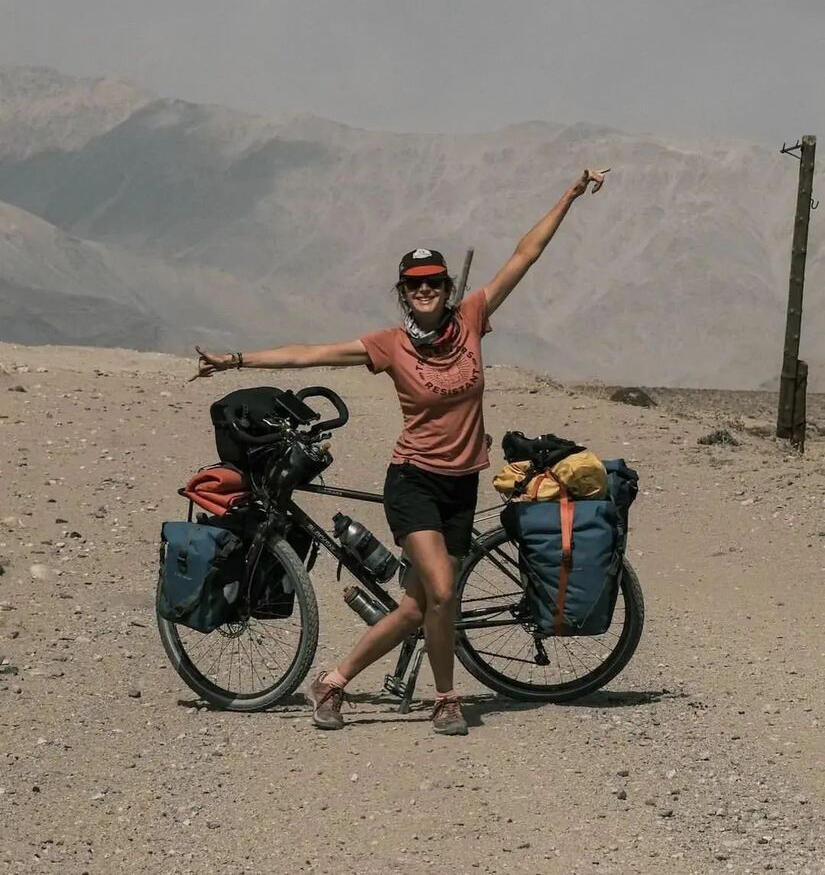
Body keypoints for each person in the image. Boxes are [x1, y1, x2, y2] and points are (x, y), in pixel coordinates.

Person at [194, 167, 608, 735]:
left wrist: (570, 193)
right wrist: (237, 360)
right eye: (414, 284)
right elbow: (308, 355)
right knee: (442, 589)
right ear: (404, 293)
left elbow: (524, 255)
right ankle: (446, 699)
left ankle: (333, 681)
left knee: (420, 606)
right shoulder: (388, 346)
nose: (425, 289)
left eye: (434, 281)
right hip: (414, 480)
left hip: (464, 482)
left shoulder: (472, 320)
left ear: (447, 287)